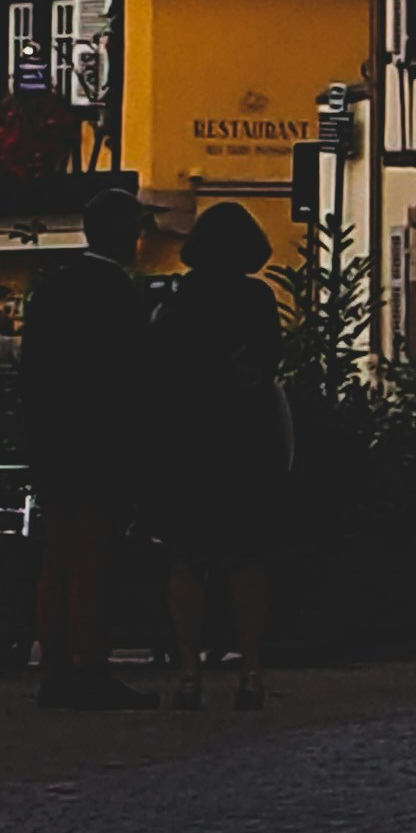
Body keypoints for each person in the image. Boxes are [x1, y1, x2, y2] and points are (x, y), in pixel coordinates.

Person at [144, 201, 288, 711]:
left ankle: (189, 672)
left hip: (188, 445)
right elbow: (268, 365)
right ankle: (250, 672)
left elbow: (158, 371)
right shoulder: (257, 298)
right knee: (248, 561)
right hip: (243, 444)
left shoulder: (179, 300)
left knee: (186, 560)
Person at [20, 187, 150, 709]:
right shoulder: (117, 294)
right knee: (94, 557)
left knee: (56, 558)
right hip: (100, 446)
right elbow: (133, 379)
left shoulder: (53, 288)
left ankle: (54, 665)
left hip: (53, 442)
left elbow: (31, 373)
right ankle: (87, 667)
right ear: (126, 234)